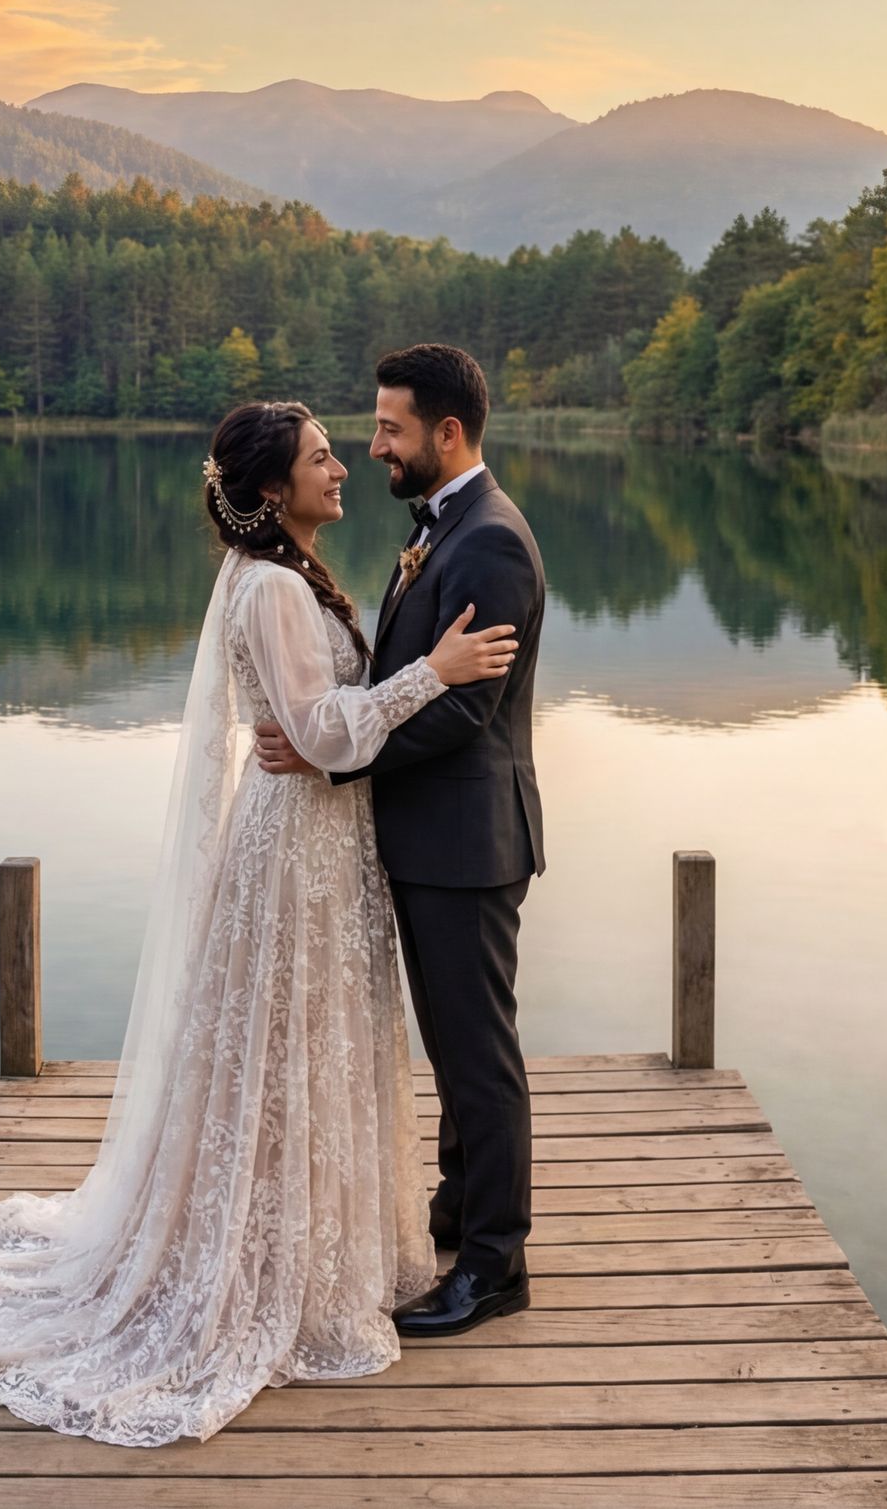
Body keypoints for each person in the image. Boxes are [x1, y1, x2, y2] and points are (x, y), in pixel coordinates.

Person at [0, 399, 520, 1446]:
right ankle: (269, 1260)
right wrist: (434, 671)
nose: (344, 465)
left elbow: (316, 722)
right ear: (271, 490)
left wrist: (349, 703)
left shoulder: (280, 572)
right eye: (321, 457)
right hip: (298, 848)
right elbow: (323, 731)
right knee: (290, 1041)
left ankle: (304, 1236)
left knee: (289, 1042)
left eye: (345, 448)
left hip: (311, 834)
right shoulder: (275, 587)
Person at [255, 342, 548, 1340]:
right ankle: (460, 1211)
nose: (374, 446)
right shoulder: (442, 527)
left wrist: (331, 758)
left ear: (446, 433)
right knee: (455, 1050)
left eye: (390, 429)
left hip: (469, 842)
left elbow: (465, 711)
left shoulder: (490, 542)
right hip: (431, 840)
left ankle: (496, 1266)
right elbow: (411, 677)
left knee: (480, 1058)